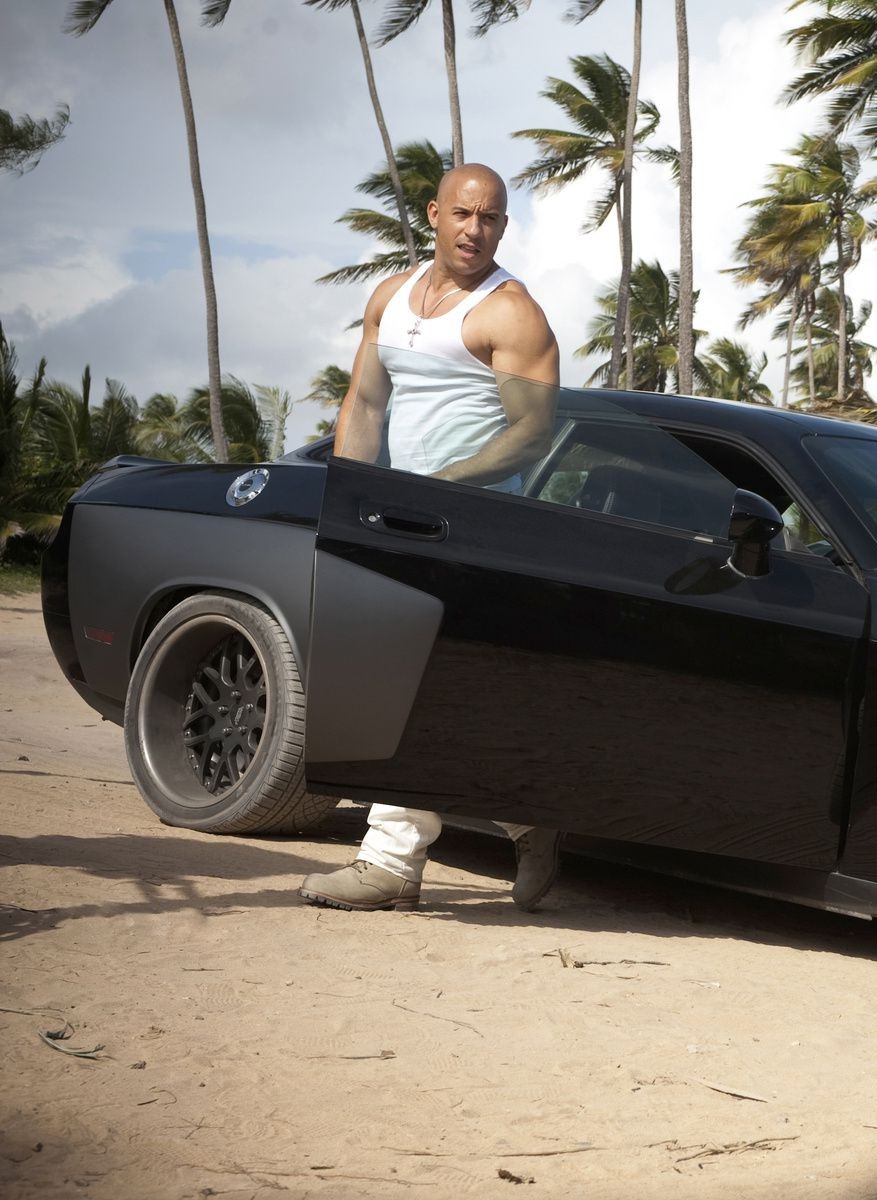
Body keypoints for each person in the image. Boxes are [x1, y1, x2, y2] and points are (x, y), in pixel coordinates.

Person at [298, 163, 564, 914]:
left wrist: (443, 487)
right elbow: (365, 403)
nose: (475, 229)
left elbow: (534, 433)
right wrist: (349, 503)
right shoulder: (390, 297)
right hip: (393, 520)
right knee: (421, 691)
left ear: (503, 228)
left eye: (490, 218)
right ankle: (527, 812)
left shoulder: (511, 314)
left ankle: (389, 864)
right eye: (463, 213)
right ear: (434, 214)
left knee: (408, 689)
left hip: (472, 526)